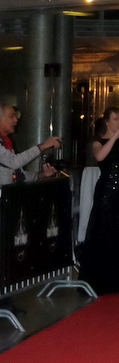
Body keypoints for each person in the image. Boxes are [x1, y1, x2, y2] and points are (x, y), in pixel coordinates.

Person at [78, 105, 119, 294]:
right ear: (107, 122)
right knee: (104, 231)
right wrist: (115, 137)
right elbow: (100, 156)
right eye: (116, 119)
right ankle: (101, 279)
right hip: (107, 192)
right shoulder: (98, 141)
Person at [0, 103, 60, 185]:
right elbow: (14, 162)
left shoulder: (4, 141)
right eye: (11, 116)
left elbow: (20, 176)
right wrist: (42, 146)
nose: (15, 120)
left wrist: (41, 175)